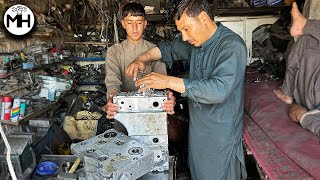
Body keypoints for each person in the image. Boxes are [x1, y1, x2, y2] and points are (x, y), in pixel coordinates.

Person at [126, 0, 247, 179]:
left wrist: (167, 81)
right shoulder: (197, 42)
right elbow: (166, 49)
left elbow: (219, 90)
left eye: (186, 29)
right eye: (180, 31)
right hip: (198, 131)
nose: (183, 37)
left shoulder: (231, 46)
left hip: (221, 137)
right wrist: (141, 59)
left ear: (203, 18)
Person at [104, 2, 175, 119]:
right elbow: (112, 82)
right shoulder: (114, 51)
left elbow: (162, 81)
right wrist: (112, 98)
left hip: (151, 110)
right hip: (123, 111)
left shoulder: (155, 50)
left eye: (139, 22)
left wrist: (167, 96)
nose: (134, 28)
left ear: (145, 24)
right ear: (123, 24)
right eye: (130, 22)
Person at [273, 2, 320, 136]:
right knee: (309, 37)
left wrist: (304, 116)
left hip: (314, 99)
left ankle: (287, 91)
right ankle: (305, 26)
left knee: (308, 39)